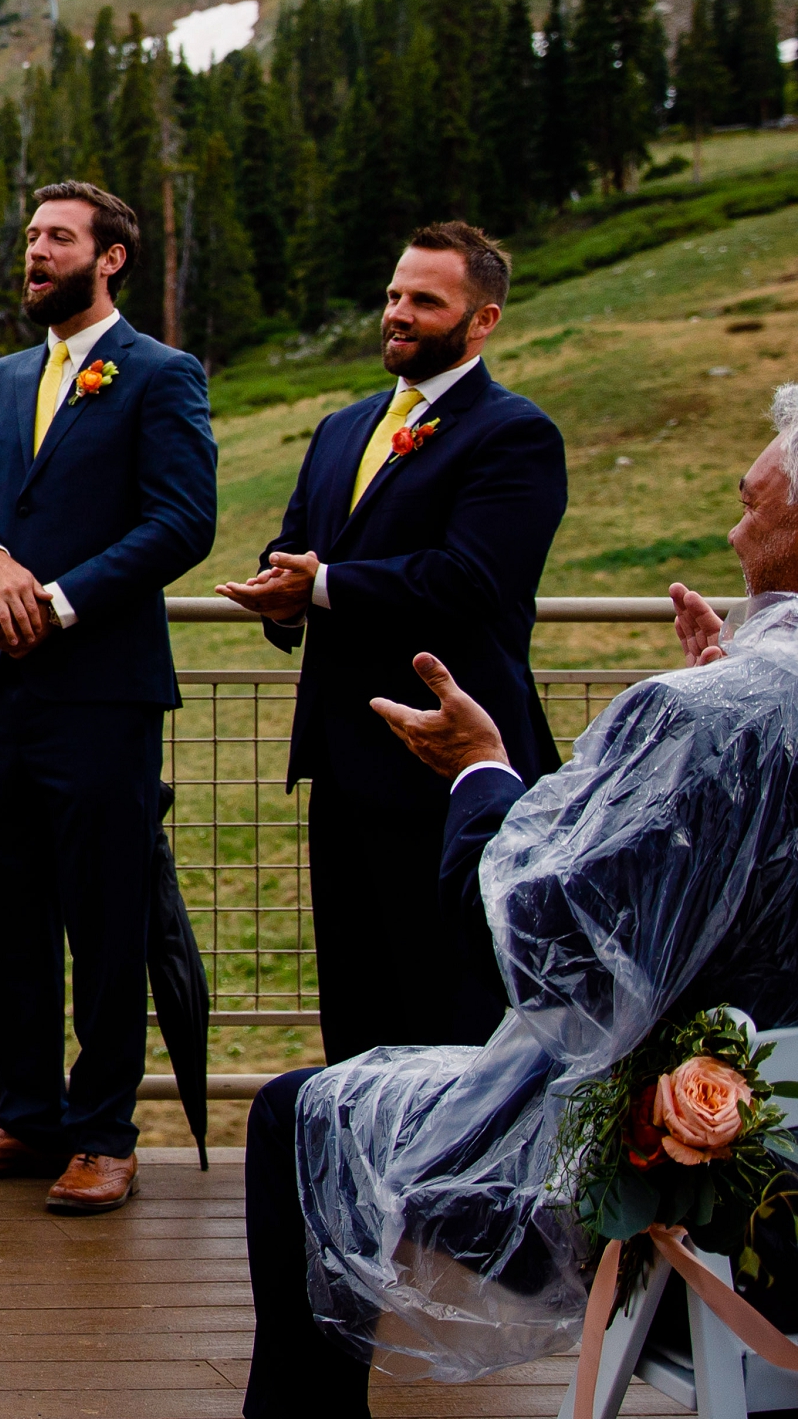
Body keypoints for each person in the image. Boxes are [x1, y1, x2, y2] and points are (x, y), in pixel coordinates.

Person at [151, 394, 798, 1419]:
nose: (728, 531)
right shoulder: (730, 703)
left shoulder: (702, 716)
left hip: (671, 1178)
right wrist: (719, 697)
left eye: (749, 502)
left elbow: (546, 945)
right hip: (791, 1186)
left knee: (297, 1112)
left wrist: (482, 772)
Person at [0, 181, 217, 1215]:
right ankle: (25, 1116)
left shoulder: (159, 375)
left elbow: (183, 521)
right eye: (31, 237)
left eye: (56, 237)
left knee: (103, 916)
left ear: (110, 257)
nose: (33, 252)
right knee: (7, 912)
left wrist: (57, 597)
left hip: (99, 691)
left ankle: (102, 1133)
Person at [216, 221, 567, 1059]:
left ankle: (450, 1188)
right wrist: (281, 601)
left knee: (447, 1002)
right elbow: (297, 544)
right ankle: (353, 1182)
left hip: (448, 765)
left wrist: (325, 586)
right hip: (341, 762)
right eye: (393, 295)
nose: (397, 313)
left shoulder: (515, 434)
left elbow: (473, 579)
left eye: (424, 300)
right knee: (357, 996)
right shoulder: (342, 426)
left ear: (481, 321)